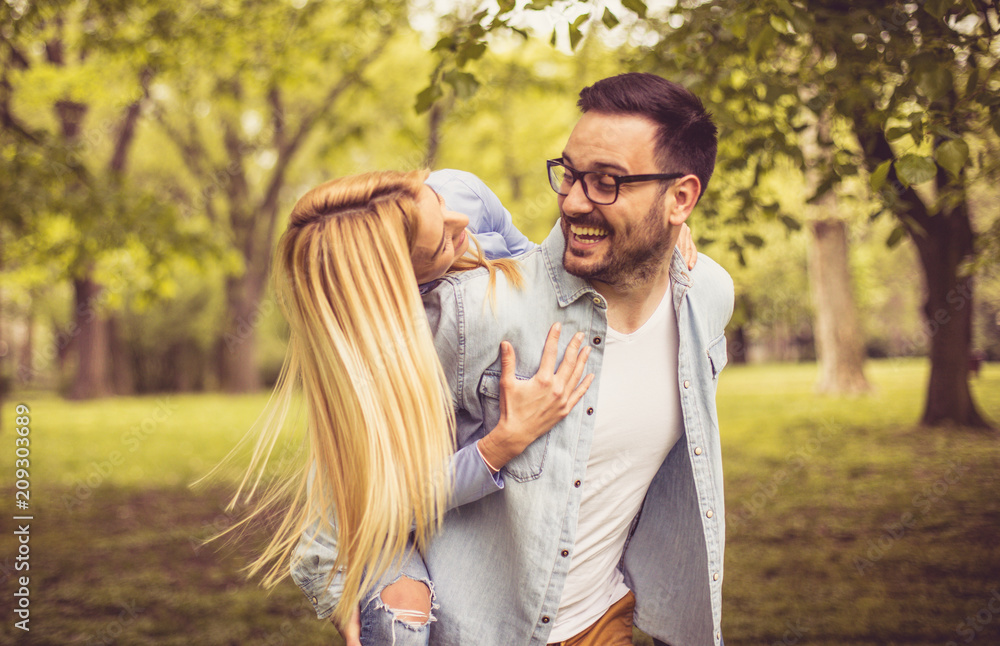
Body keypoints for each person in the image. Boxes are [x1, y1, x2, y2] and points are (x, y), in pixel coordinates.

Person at [297, 72, 733, 646]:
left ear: (681, 198)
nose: (575, 201)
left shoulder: (707, 296)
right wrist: (370, 595)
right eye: (570, 175)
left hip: (604, 624)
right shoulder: (467, 310)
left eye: (607, 183)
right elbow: (349, 499)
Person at [228, 168, 597, 641]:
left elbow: (541, 266)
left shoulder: (460, 192)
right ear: (399, 286)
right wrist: (503, 444)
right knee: (402, 619)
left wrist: (650, 238)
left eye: (436, 204)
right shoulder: (379, 358)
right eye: (442, 242)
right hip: (356, 528)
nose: (460, 221)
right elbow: (379, 507)